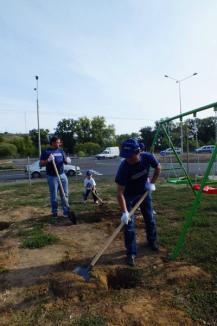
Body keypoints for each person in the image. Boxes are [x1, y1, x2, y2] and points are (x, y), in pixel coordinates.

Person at [115, 138, 161, 266]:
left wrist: (151, 183)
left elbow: (157, 167)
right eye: (125, 156)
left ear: (138, 152)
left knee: (150, 218)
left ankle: (152, 241)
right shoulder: (124, 168)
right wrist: (124, 212)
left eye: (130, 156)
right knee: (129, 225)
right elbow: (119, 193)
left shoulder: (147, 157)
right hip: (128, 196)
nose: (128, 159)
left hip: (144, 192)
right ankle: (131, 253)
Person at [40, 136, 72, 218]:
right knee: (54, 195)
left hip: (62, 175)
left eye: (59, 142)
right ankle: (55, 212)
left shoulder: (61, 150)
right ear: (53, 143)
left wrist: (67, 161)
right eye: (57, 142)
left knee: (65, 194)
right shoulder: (46, 151)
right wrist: (48, 160)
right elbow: (41, 164)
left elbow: (65, 160)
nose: (59, 144)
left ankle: (66, 211)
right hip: (52, 176)